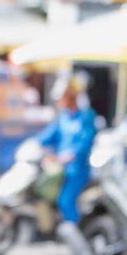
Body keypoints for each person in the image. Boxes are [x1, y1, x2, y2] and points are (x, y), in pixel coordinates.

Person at [38, 74, 97, 223]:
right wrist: (32, 144)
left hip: (77, 170)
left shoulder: (86, 116)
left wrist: (70, 155)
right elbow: (46, 136)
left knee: (65, 200)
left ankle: (74, 231)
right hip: (60, 169)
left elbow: (85, 142)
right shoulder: (63, 118)